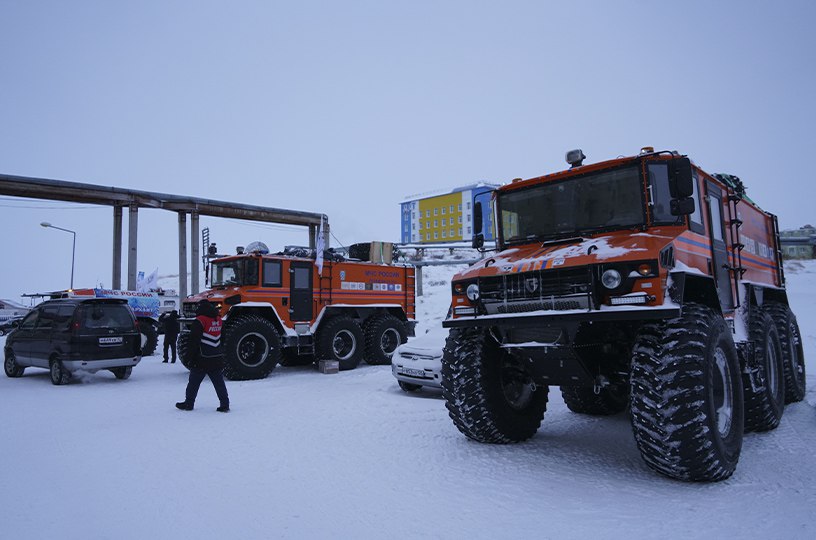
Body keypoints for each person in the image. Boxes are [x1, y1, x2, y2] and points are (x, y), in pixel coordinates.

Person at [175, 300, 230, 413]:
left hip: (201, 359)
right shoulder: (219, 320)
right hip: (216, 357)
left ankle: (189, 403)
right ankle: (225, 404)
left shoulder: (200, 321)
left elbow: (193, 341)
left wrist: (188, 358)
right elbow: (223, 338)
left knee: (193, 383)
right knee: (219, 383)